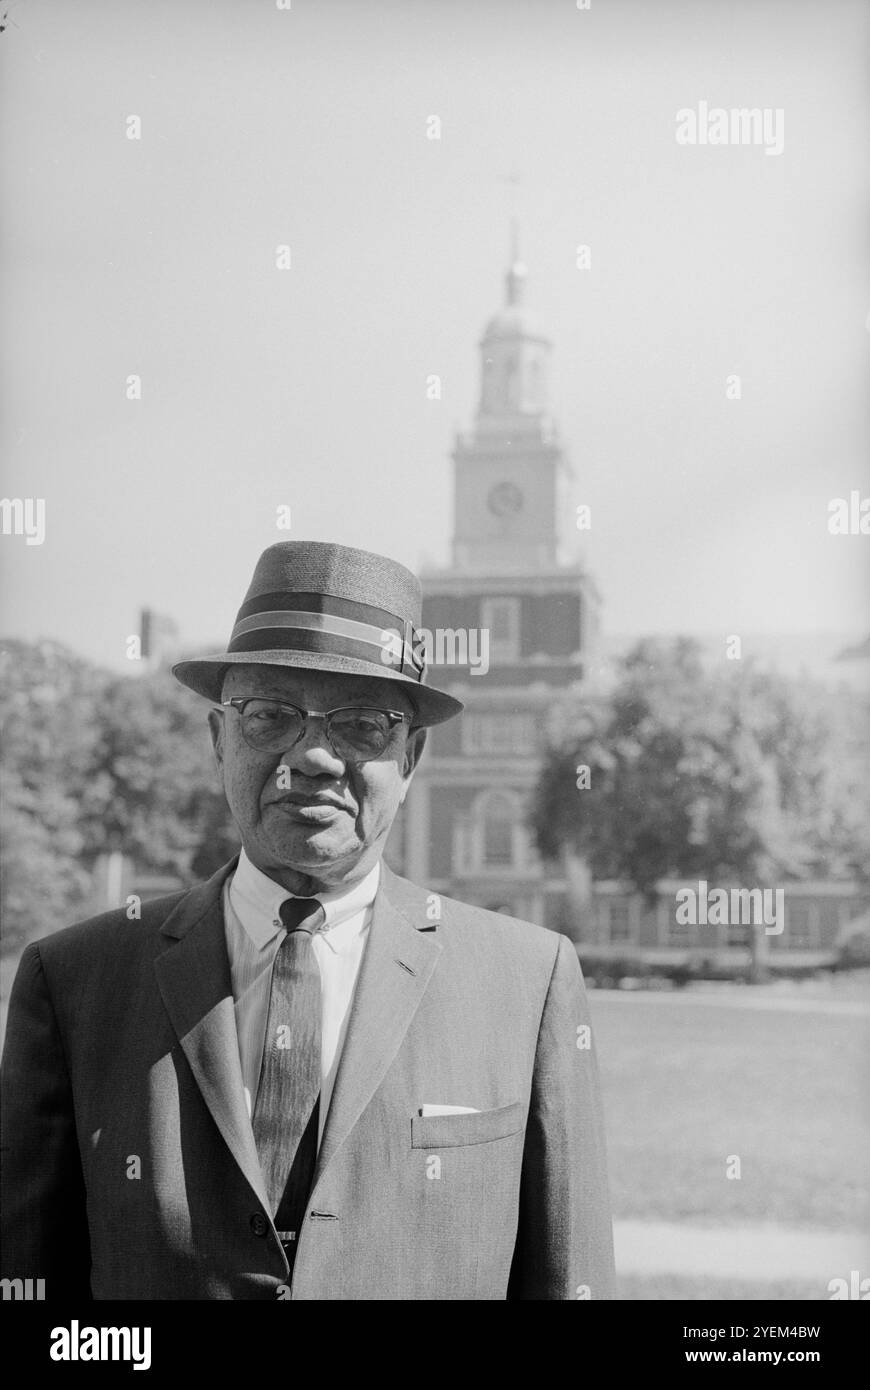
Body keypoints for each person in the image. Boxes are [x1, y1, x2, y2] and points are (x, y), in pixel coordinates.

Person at [1, 540, 615, 1300]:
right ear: (218, 739)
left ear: (412, 756)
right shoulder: (74, 983)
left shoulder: (528, 983)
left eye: (362, 725)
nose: (314, 758)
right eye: (270, 716)